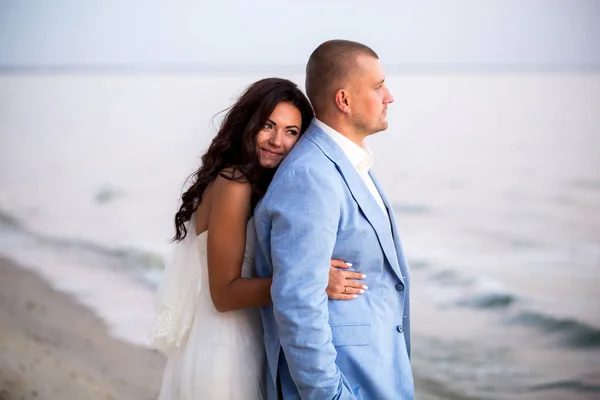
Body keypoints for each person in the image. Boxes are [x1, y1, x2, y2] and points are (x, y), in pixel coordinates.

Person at [150, 78, 368, 400]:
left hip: (251, 336)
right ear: (248, 123)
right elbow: (223, 294)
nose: (277, 141)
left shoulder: (257, 184)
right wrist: (309, 281)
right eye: (268, 125)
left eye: (291, 132)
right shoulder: (234, 183)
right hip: (227, 347)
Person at [254, 40, 414, 399]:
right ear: (344, 100)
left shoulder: (348, 163)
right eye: (377, 87)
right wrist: (329, 395)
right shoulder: (311, 175)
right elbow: (298, 302)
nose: (389, 96)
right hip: (344, 384)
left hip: (375, 373)